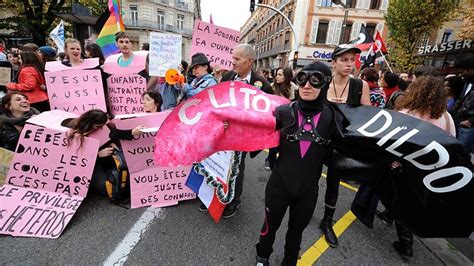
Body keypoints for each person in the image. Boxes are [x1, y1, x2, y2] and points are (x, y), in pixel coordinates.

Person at [256, 62, 345, 265]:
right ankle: (262, 256)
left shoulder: (334, 117)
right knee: (270, 225)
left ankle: (289, 260)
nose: (307, 86)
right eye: (302, 79)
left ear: (325, 84)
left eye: (315, 81)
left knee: (296, 232)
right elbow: (256, 138)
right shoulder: (283, 111)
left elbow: (344, 155)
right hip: (279, 186)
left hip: (307, 192)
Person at [386, 76, 456, 259]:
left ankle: (406, 243)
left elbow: (393, 139)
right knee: (415, 201)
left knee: (402, 201)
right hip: (431, 168)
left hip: (406, 164)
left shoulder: (407, 112)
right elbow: (452, 143)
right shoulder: (447, 117)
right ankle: (395, 221)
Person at [211, 43, 272, 219]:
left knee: (237, 168)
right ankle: (216, 196)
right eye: (233, 58)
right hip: (222, 133)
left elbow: (265, 118)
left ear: (250, 61)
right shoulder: (228, 77)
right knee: (219, 164)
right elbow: (218, 102)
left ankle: (234, 201)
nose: (233, 62)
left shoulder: (263, 86)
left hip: (242, 138)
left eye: (237, 59)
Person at [320, 44, 371, 248]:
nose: (350, 64)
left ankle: (327, 221)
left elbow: (367, 118)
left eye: (352, 60)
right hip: (319, 141)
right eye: (344, 60)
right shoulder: (322, 83)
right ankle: (302, 213)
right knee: (309, 179)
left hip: (342, 146)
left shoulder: (360, 86)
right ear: (333, 63)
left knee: (333, 184)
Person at [264, 67, 293, 171]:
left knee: (284, 148)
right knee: (273, 147)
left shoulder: (293, 88)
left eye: (280, 75)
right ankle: (271, 163)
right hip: (274, 121)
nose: (277, 77)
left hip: (288, 122)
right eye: (277, 74)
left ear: (287, 76)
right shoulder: (271, 87)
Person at [452, 56, 474, 154]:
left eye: (462, 72)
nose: (461, 75)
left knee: (461, 153)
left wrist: (471, 121)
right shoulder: (467, 83)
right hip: (459, 122)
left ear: (471, 69)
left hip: (469, 127)